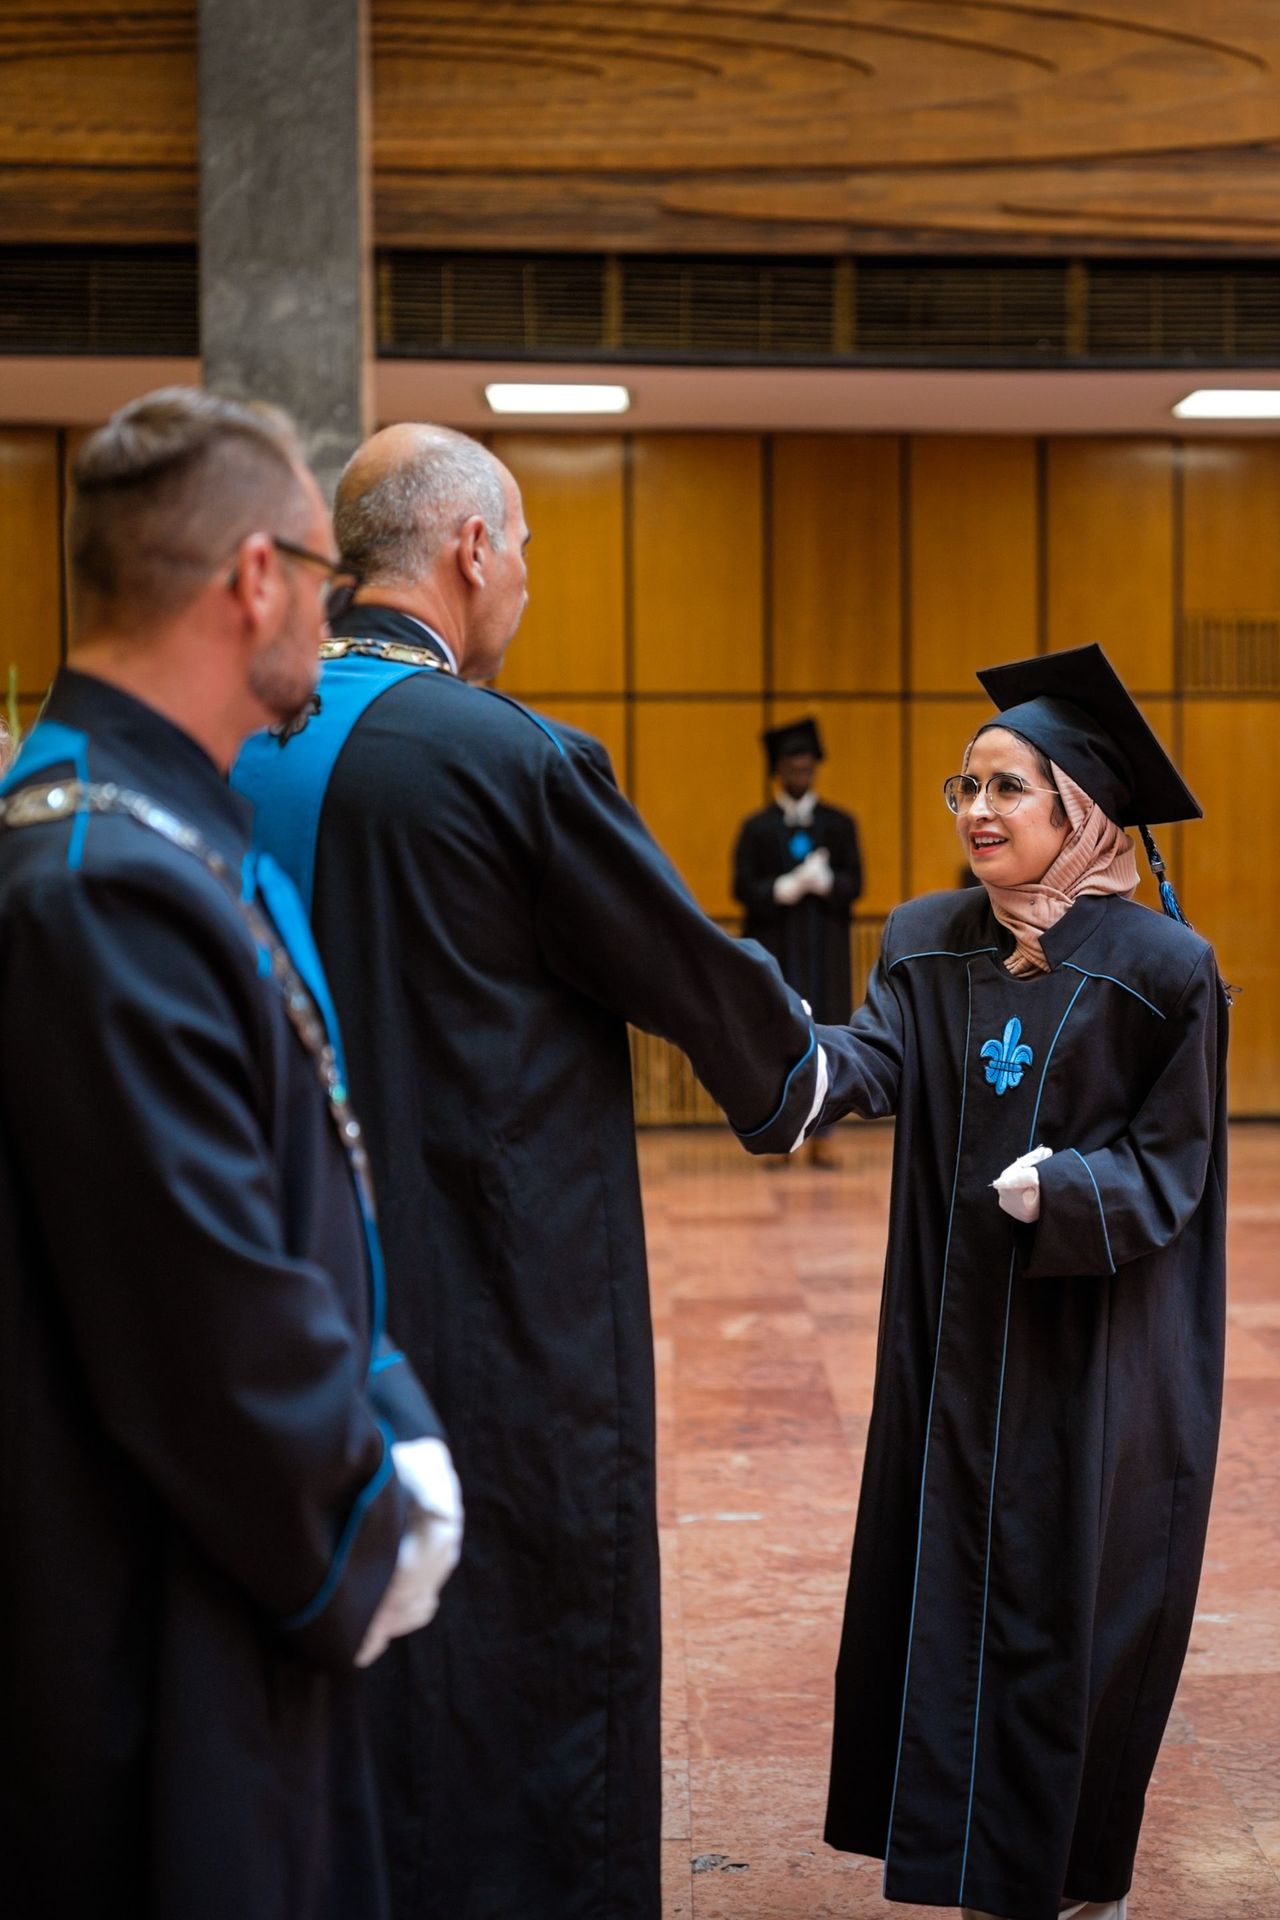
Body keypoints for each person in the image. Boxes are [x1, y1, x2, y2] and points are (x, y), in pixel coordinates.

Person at [231, 422, 829, 1920]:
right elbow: (684, 971)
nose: (524, 586)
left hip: (268, 1267)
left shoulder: (236, 742)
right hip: (482, 1276)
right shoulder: (506, 755)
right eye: (525, 555)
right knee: (512, 1613)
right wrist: (812, 1070)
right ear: (471, 549)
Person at [0, 388, 463, 1920]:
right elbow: (197, 1305)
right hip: (157, 1599)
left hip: (220, 1556)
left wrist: (384, 1401)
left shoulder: (165, 829)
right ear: (258, 578)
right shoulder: (97, 877)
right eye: (328, 576)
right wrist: (362, 1512)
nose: (333, 616)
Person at [810, 645, 1227, 1920]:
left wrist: (1074, 1191)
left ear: (1077, 808)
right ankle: (954, 1849)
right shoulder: (925, 939)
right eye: (964, 787)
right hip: (950, 1336)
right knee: (936, 1576)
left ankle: (1066, 1871)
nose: (976, 811)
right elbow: (872, 1058)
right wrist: (787, 1059)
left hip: (1087, 1344)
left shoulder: (1163, 967)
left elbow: (1175, 1161)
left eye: (1006, 787)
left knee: (1069, 1594)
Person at [733, 715, 862, 1164]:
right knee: (775, 1037)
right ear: (778, 770)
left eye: (807, 767)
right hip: (777, 951)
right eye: (792, 767)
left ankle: (823, 1137)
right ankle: (778, 1138)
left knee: (826, 1037)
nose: (800, 774)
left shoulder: (838, 824)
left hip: (826, 954)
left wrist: (828, 883)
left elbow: (855, 884)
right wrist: (781, 889)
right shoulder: (757, 828)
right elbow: (742, 888)